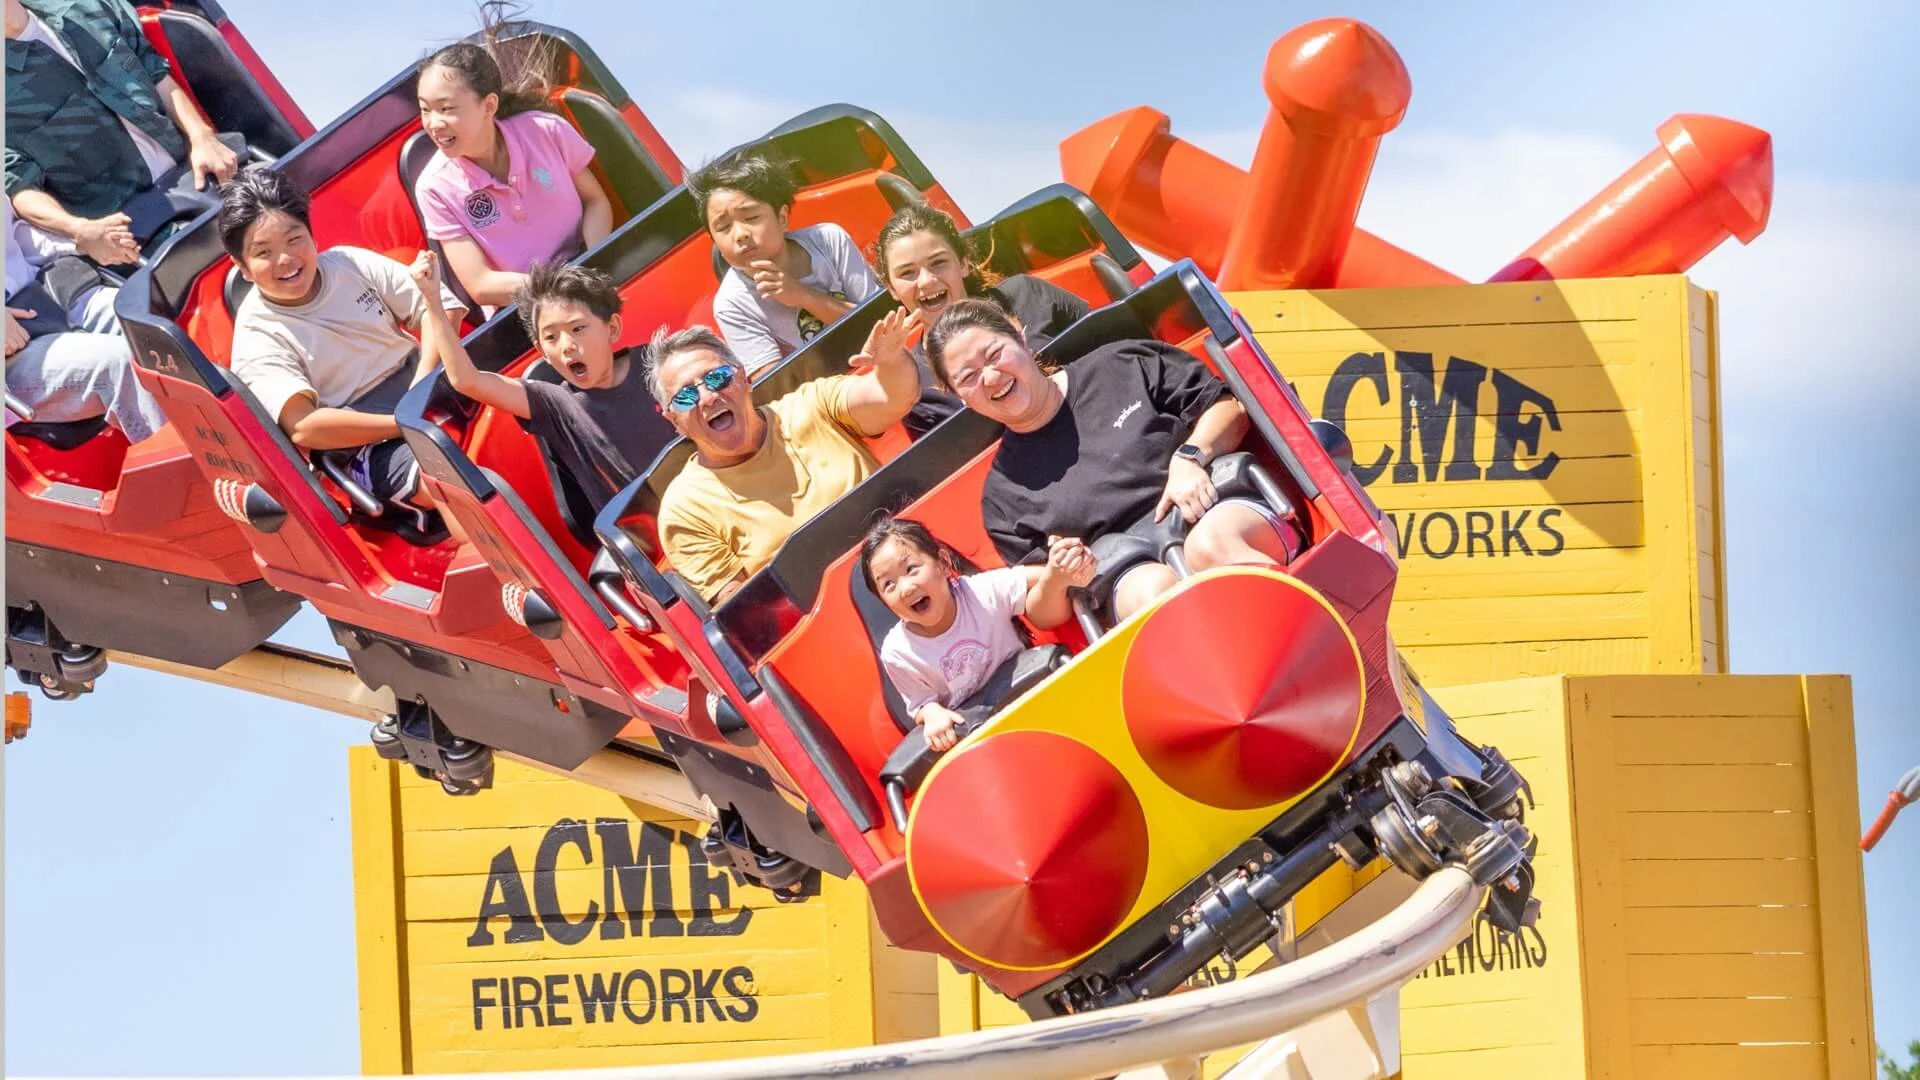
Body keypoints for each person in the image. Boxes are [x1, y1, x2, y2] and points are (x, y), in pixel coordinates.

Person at [925, 299, 1301, 622]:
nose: (991, 377)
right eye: (969, 377)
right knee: (1156, 592)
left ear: (1018, 335)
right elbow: (1043, 610)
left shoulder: (1121, 364)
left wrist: (1191, 455)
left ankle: (1301, 626)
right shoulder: (1003, 495)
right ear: (959, 396)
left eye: (994, 355)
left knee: (1210, 546)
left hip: (1214, 508)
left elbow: (1227, 410)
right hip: (1129, 572)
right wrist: (1058, 575)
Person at [218, 167, 464, 532]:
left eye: (293, 239)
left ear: (312, 237)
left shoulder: (349, 263)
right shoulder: (257, 335)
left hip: (431, 384)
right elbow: (305, 427)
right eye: (264, 252)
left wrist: (422, 388)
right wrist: (401, 424)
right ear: (244, 269)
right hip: (367, 443)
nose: (285, 260)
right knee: (450, 478)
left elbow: (441, 309)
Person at [648, 308, 922, 603]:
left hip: (914, 562)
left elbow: (891, 397)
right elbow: (743, 610)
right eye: (686, 396)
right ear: (673, 420)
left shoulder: (812, 405)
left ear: (743, 378)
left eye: (717, 378)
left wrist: (892, 360)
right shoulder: (685, 509)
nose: (708, 397)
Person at [421, 256, 674, 511]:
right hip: (649, 531)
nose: (567, 346)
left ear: (612, 328)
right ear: (541, 351)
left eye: (578, 328)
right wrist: (433, 302)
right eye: (551, 337)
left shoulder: (660, 363)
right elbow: (467, 380)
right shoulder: (555, 404)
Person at [5, 0, 242, 265]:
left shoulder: (87, 7)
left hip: (201, 174)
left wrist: (202, 137)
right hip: (136, 233)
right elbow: (19, 186)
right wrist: (79, 229)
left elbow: (155, 73)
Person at [411, 32, 612, 310]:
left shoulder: (545, 130)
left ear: (489, 105)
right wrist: (565, 287)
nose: (434, 123)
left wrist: (594, 265)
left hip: (592, 279)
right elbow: (480, 284)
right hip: (523, 311)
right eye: (425, 110)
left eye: (446, 109)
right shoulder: (434, 188)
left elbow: (596, 201)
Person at [861, 516, 1093, 751]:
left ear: (942, 563)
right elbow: (921, 704)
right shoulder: (897, 652)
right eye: (889, 585)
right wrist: (932, 715)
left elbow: (1036, 576)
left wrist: (1061, 570)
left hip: (1035, 699)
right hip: (981, 739)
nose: (905, 588)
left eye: (911, 569)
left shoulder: (980, 592)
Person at [873, 201, 1091, 437]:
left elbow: (1107, 348)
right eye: (907, 273)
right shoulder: (912, 386)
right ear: (892, 289)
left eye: (938, 263)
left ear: (963, 263)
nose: (926, 281)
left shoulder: (1028, 294)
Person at [691, 151, 881, 376]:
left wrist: (803, 296)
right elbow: (778, 387)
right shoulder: (731, 304)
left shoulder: (828, 240)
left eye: (751, 218)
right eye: (723, 228)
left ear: (781, 218)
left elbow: (880, 324)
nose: (740, 234)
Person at [4, 196, 166, 442]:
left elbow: (14, 237)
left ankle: (235, 433)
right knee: (119, 362)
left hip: (43, 300)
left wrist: (80, 239)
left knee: (155, 323)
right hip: (11, 359)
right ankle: (198, 469)